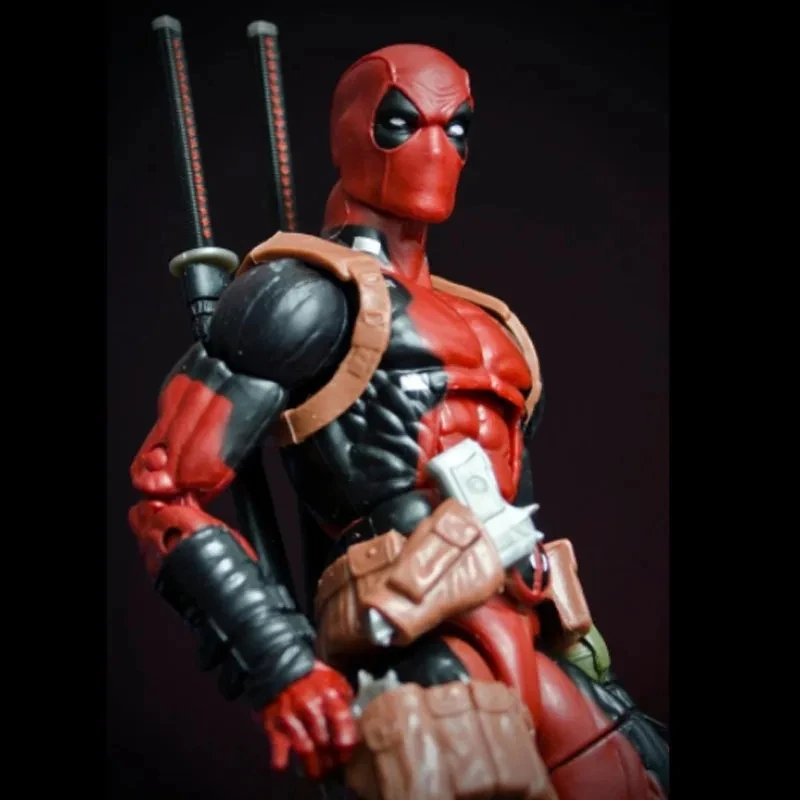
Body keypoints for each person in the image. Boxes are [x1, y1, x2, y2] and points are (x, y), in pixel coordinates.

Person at [129, 43, 668, 799]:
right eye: (402, 122)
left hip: (528, 626)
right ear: (351, 132)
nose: (435, 148)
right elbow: (165, 496)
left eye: (457, 127)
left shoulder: (494, 325)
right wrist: (280, 665)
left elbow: (513, 508)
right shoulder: (304, 294)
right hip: (405, 636)